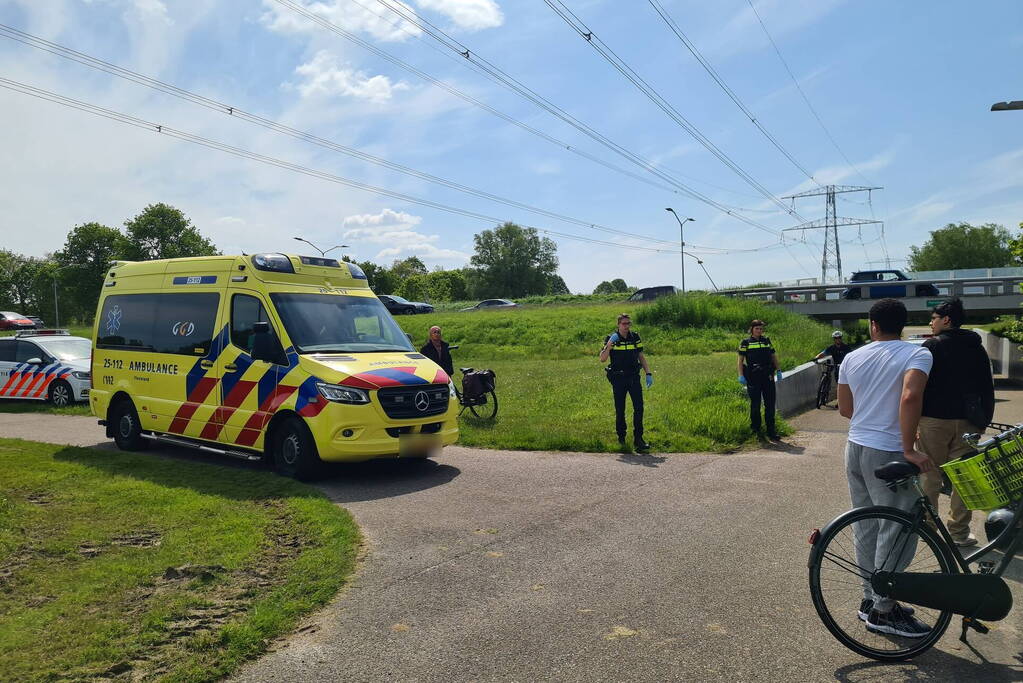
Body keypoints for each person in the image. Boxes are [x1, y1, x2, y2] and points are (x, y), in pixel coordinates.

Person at [837, 298, 934, 638]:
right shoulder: (917, 353)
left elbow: (845, 409)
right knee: (896, 528)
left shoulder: (852, 357)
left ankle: (871, 598)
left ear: (873, 325)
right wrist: (908, 447)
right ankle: (884, 610)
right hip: (889, 451)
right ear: (902, 325)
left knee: (866, 524)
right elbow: (910, 397)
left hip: (855, 447)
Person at [918, 298, 995, 547]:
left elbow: (918, 386)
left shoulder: (931, 346)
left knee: (930, 475)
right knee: (963, 479)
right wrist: (984, 420)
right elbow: (987, 387)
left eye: (934, 318)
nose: (931, 323)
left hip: (933, 422)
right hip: (968, 423)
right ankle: (959, 533)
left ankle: (929, 530)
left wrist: (913, 422)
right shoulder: (977, 348)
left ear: (946, 320)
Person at [599, 313, 653, 451]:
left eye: (628, 323)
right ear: (618, 325)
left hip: (633, 377)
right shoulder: (611, 338)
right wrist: (609, 345)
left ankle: (638, 439)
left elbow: (641, 356)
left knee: (639, 408)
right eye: (624, 323)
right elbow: (602, 359)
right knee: (620, 409)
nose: (626, 326)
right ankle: (621, 438)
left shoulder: (635, 337)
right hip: (618, 379)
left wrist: (648, 373)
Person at [737, 319, 782, 439]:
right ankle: (756, 431)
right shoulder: (745, 342)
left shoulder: (766, 341)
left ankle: (771, 431)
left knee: (770, 404)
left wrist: (778, 370)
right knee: (755, 405)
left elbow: (773, 356)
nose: (759, 331)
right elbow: (740, 361)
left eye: (761, 329)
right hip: (753, 376)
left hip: (767, 376)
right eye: (757, 328)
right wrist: (741, 375)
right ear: (752, 329)